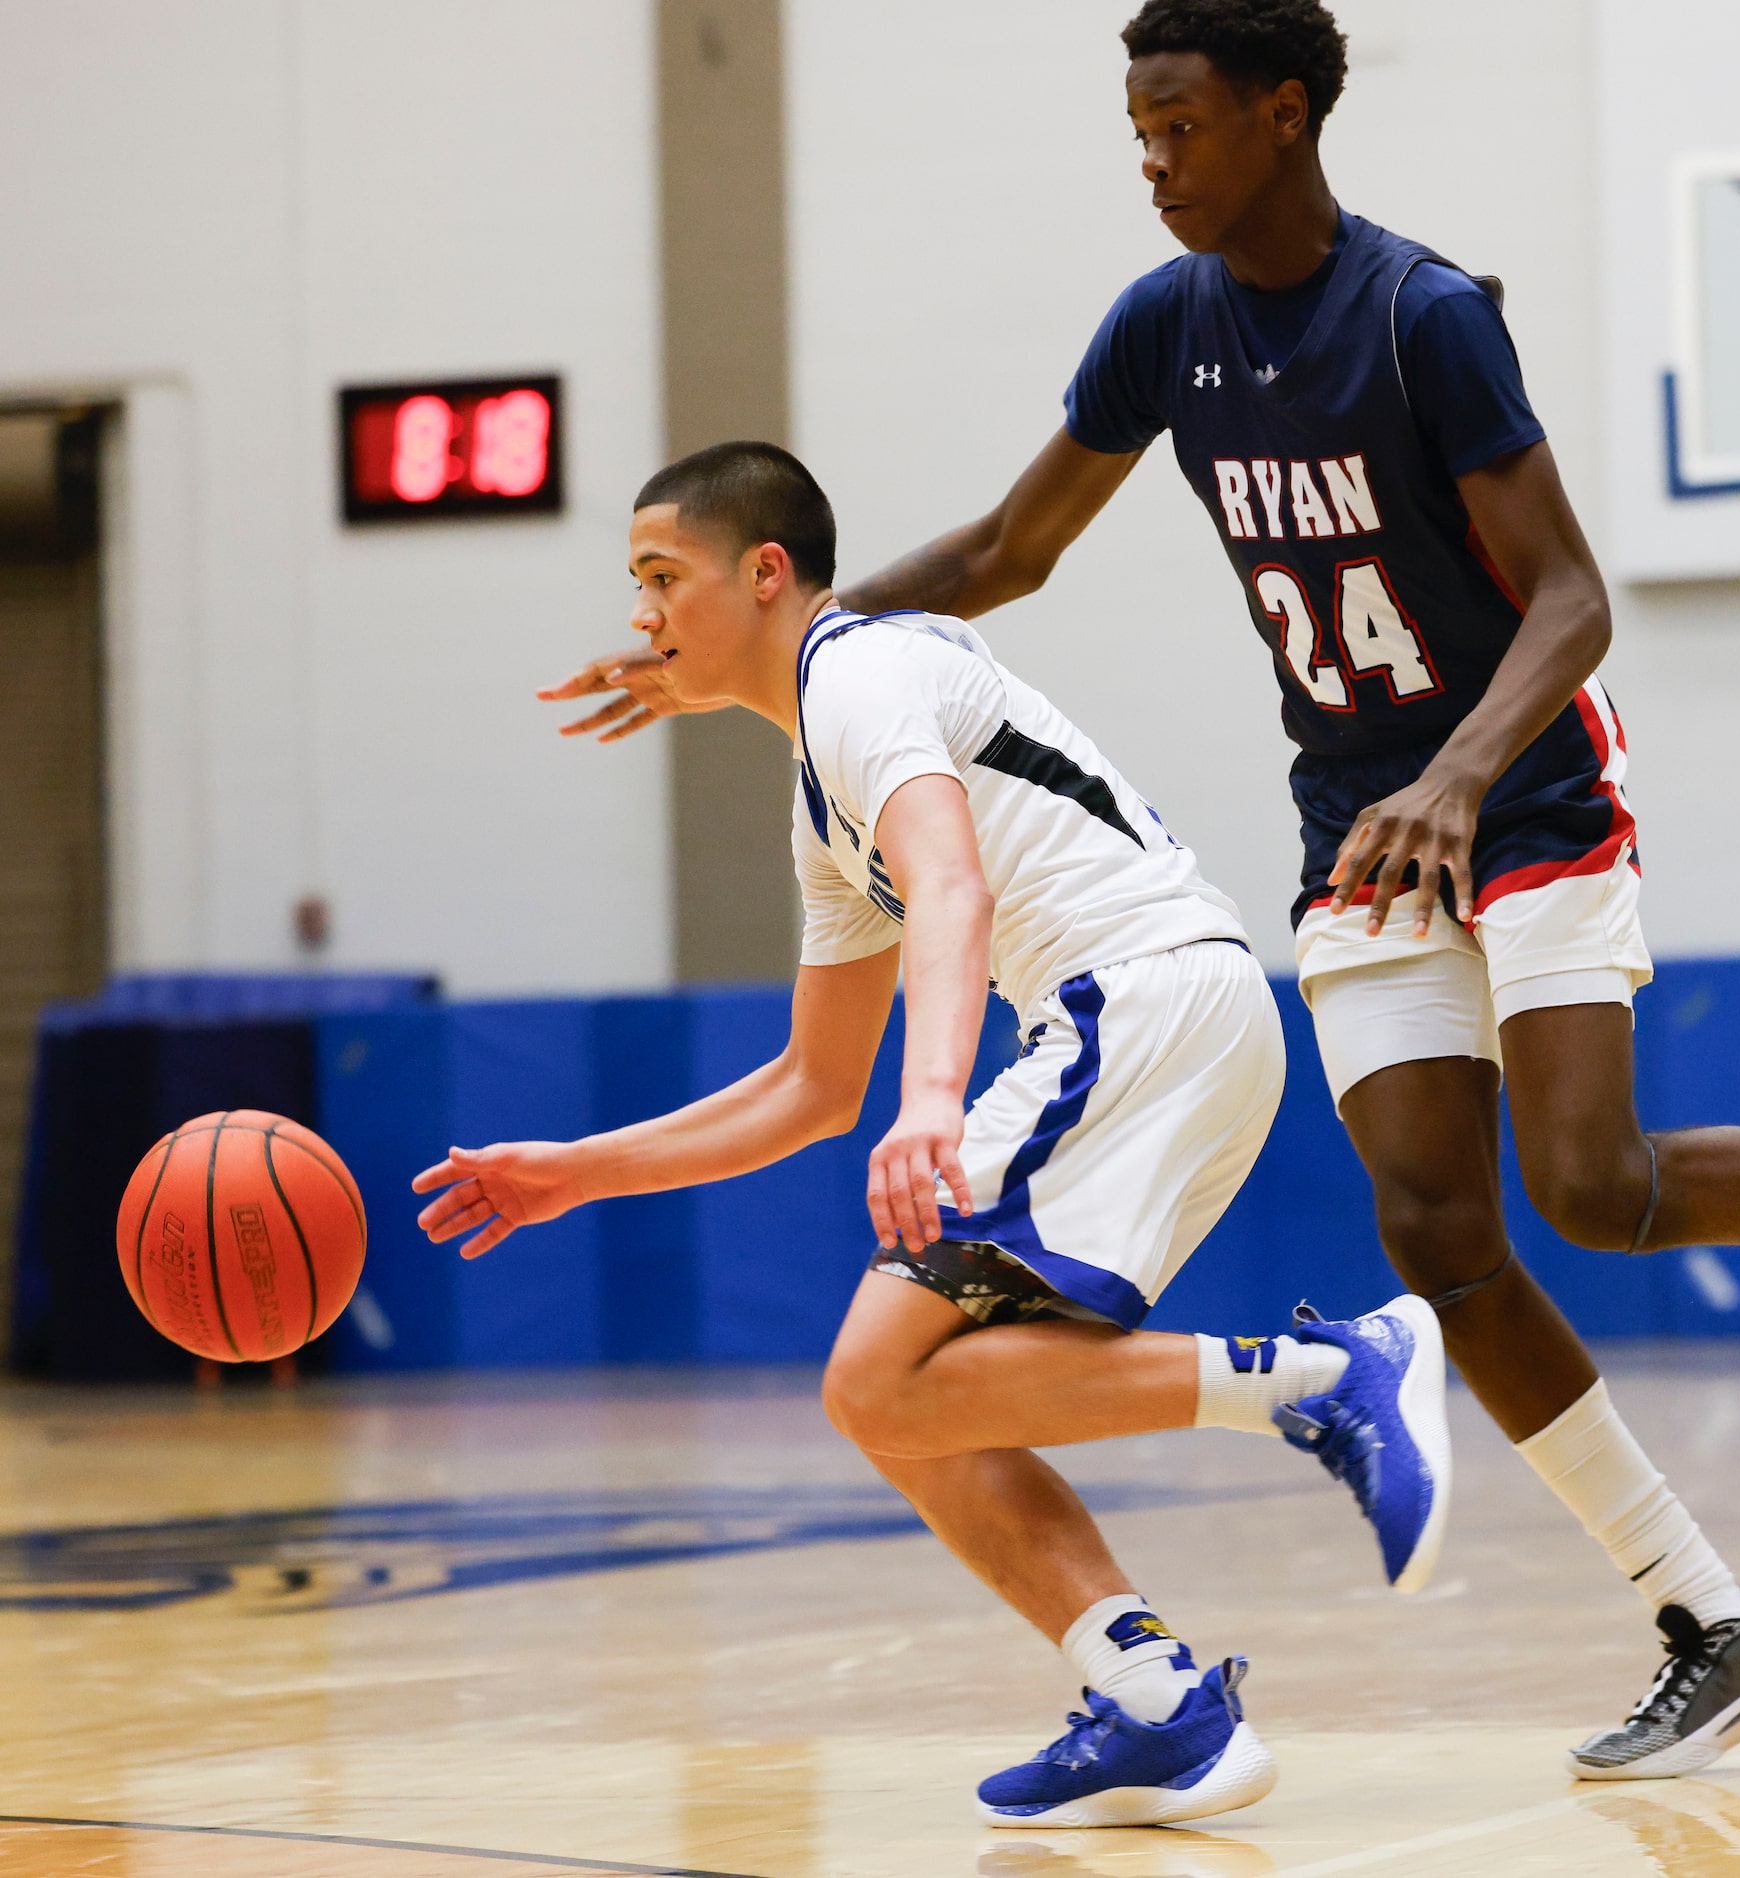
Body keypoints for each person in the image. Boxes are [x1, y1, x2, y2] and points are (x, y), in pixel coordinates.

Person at [540, 3, 1740, 1781]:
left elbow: (1568, 598)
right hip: (1356, 830)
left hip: (1525, 791)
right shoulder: (1164, 328)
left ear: (1284, 112)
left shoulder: (1424, 317)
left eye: (1177, 124)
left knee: (1590, 1186)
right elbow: (1011, 552)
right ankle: (1711, 1617)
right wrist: (806, 651)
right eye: (1133, 129)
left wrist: (1461, 771)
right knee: (1434, 1231)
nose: (1149, 161)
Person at [414, 442, 1452, 1829]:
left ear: (764, 572)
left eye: (662, 577)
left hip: (1129, 1002)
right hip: (1164, 1021)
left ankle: (1324, 1372)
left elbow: (952, 885)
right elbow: (806, 1085)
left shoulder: (860, 673)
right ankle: (1150, 1696)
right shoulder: (820, 800)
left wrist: (935, 1098)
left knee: (875, 1373)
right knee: (892, 1393)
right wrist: (572, 1174)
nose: (643, 616)